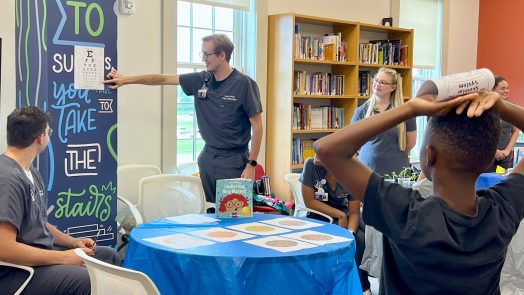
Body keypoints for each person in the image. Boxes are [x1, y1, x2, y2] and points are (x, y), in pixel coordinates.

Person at [313, 88, 524, 294]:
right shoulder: (503, 208)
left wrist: (410, 108)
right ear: (488, 158)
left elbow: (326, 148)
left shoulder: (404, 212)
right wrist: (500, 106)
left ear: (429, 155)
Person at [103, 34, 263, 203]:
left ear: (222, 55)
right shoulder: (201, 80)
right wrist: (127, 80)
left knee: (234, 213)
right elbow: (163, 78)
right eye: (202, 54)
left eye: (206, 54)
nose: (203, 59)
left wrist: (251, 165)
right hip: (208, 158)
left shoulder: (244, 84)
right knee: (210, 211)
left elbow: (258, 127)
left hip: (233, 161)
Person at [0, 106, 120, 295]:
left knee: (108, 256)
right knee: (89, 280)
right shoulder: (8, 178)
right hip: (17, 271)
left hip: (39, 256)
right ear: (41, 138)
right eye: (49, 132)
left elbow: (38, 222)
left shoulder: (30, 172)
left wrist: (72, 243)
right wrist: (64, 258)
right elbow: (4, 248)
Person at [351, 67, 417, 279]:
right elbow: (352, 140)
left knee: (391, 229)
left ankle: (391, 274)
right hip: (367, 176)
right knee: (369, 229)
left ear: (393, 87)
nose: (377, 84)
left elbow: (410, 143)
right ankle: (367, 280)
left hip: (395, 177)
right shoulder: (363, 110)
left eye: (383, 82)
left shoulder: (404, 111)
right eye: (376, 80)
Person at [299, 156, 371, 294]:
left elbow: (354, 212)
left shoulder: (351, 174)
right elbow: (309, 201)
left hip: (346, 215)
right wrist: (340, 215)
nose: (317, 157)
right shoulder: (312, 165)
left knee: (359, 239)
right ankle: (333, 284)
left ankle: (360, 285)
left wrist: (349, 233)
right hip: (319, 215)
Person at [486, 76, 519, 172]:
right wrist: (494, 151)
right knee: (486, 184)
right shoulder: (486, 107)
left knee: (501, 183)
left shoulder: (511, 106)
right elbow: (479, 134)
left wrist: (507, 151)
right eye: (503, 88)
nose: (506, 91)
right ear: (493, 90)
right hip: (487, 155)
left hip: (504, 157)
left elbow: (515, 131)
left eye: (507, 88)